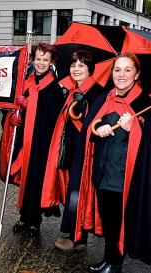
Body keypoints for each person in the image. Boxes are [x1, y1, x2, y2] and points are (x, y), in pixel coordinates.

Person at [69, 53, 151, 272]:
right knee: (108, 220)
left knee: (118, 222)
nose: (121, 74)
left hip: (126, 176)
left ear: (137, 74)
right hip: (102, 171)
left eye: (127, 70)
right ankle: (109, 258)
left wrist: (133, 128)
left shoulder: (145, 103)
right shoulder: (104, 98)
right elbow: (89, 129)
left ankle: (115, 264)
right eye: (117, 70)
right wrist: (98, 129)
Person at [40, 50, 105, 251]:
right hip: (70, 150)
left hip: (83, 153)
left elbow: (94, 124)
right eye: (73, 65)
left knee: (78, 194)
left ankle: (78, 239)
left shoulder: (96, 92)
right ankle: (74, 235)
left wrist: (83, 106)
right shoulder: (74, 91)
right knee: (72, 193)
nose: (76, 69)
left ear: (89, 69)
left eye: (81, 65)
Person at [0, 43, 65, 236]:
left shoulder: (53, 88)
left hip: (41, 144)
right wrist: (13, 117)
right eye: (38, 59)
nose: (41, 63)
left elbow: (52, 119)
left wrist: (28, 105)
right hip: (24, 141)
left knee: (36, 180)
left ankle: (34, 222)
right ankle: (24, 217)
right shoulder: (26, 81)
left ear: (51, 61)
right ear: (32, 60)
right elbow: (11, 107)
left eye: (45, 59)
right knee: (26, 181)